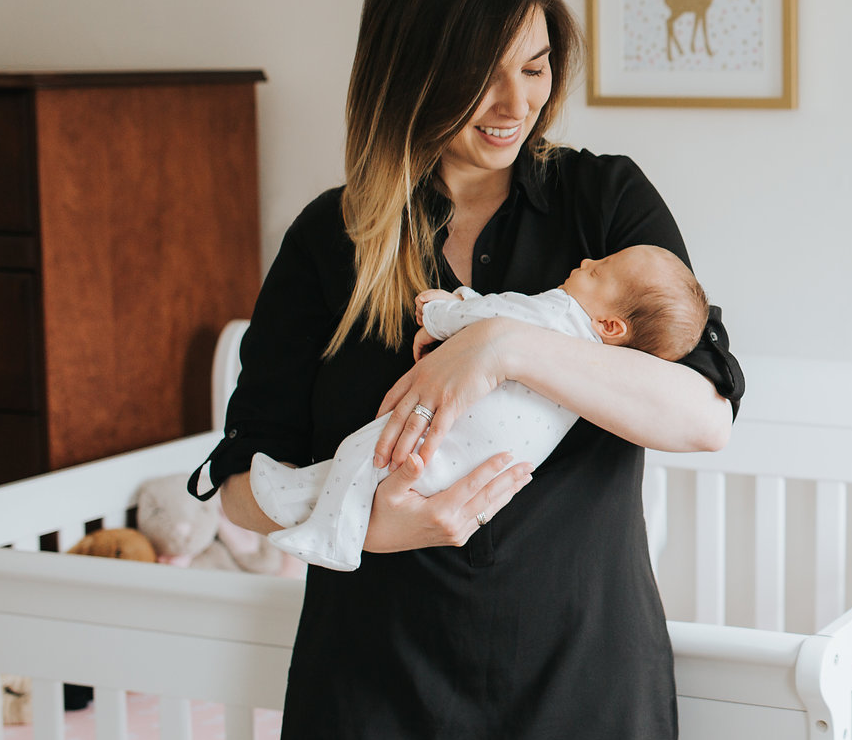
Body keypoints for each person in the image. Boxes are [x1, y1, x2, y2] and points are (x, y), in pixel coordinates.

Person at [186, 0, 744, 740]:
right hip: (372, 706)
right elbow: (239, 485)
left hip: (574, 700)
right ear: (409, 71)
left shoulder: (603, 207)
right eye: (480, 74)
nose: (512, 103)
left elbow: (701, 416)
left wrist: (509, 348)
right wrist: (372, 524)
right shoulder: (332, 238)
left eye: (533, 68)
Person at [249, 244, 709, 572]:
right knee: (360, 472)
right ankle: (299, 499)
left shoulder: (561, 316)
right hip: (472, 469)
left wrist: (442, 311)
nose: (586, 260)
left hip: (447, 446)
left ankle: (329, 537)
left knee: (360, 453)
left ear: (610, 324)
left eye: (598, 271)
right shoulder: (597, 366)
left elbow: (495, 318)